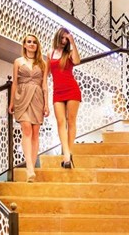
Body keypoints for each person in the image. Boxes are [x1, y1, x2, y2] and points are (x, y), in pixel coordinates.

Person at [8, 34, 49, 182]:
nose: (32, 44)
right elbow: (15, 83)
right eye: (29, 42)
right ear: (24, 45)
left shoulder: (43, 63)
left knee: (35, 132)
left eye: (34, 42)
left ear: (37, 46)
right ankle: (29, 167)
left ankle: (31, 167)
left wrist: (46, 104)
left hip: (37, 97)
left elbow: (44, 85)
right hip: (22, 96)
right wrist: (11, 102)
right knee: (26, 129)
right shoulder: (18, 62)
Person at [49, 28, 82, 169]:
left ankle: (68, 154)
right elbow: (47, 73)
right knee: (60, 122)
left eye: (66, 39)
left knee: (71, 121)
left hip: (72, 89)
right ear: (57, 37)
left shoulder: (69, 53)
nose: (63, 41)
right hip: (58, 91)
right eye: (62, 38)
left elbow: (77, 61)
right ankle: (67, 152)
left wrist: (72, 42)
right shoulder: (50, 53)